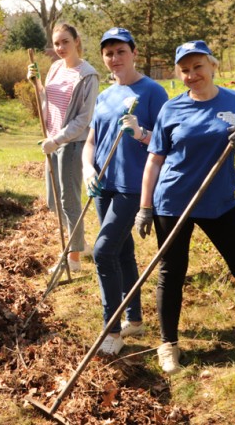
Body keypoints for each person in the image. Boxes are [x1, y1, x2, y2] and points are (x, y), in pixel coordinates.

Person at [135, 40, 235, 374]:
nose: (192, 74)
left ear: (212, 65)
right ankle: (168, 345)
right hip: (173, 202)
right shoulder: (171, 109)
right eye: (184, 70)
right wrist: (145, 207)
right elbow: (155, 160)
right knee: (171, 274)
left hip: (220, 201)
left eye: (197, 66)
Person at [82, 28, 168, 355]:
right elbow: (91, 141)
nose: (114, 58)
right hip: (103, 184)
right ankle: (134, 317)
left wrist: (140, 132)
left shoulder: (152, 92)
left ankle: (112, 329)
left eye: (120, 51)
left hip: (133, 186)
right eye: (108, 53)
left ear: (133, 51)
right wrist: (88, 169)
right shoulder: (105, 96)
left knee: (103, 251)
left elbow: (166, 142)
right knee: (121, 251)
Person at [27, 23, 99, 271]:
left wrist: (57, 140)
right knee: (53, 200)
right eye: (56, 43)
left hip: (71, 144)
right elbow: (49, 100)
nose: (60, 48)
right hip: (52, 141)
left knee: (69, 200)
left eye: (65, 42)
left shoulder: (88, 75)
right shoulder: (56, 68)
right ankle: (81, 243)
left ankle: (73, 259)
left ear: (77, 41)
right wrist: (36, 84)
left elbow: (83, 119)